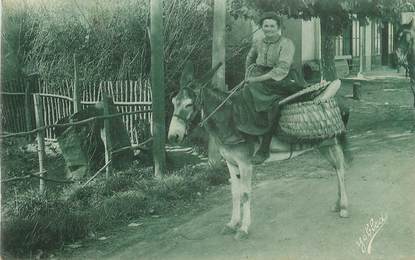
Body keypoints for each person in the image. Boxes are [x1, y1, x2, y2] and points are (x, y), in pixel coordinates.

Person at [240, 11, 305, 164]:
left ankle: (265, 148)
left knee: (273, 105)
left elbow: (281, 70)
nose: (268, 29)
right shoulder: (259, 42)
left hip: (284, 80)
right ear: (261, 27)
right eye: (265, 26)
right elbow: (250, 57)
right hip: (261, 77)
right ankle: (250, 135)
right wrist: (247, 74)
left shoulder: (286, 44)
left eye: (272, 26)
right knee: (245, 94)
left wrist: (255, 79)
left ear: (278, 27)